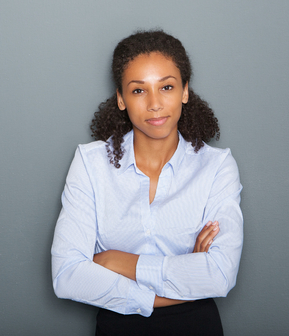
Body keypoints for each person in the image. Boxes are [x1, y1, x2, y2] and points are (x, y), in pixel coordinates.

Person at [51, 30, 244, 335]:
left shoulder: (216, 167)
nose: (154, 104)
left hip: (197, 326)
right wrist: (182, 276)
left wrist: (115, 261)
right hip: (118, 328)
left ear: (184, 91)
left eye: (166, 87)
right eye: (139, 91)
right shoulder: (91, 164)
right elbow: (67, 276)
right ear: (121, 98)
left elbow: (220, 275)